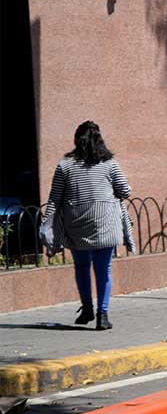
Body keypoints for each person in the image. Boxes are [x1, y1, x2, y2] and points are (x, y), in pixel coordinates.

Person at [42, 121, 134, 331]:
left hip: (77, 226)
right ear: (99, 139)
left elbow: (55, 198)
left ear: (76, 140)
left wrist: (48, 223)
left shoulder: (65, 165)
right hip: (106, 224)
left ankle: (86, 308)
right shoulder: (110, 164)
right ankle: (103, 315)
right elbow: (125, 191)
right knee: (104, 269)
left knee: (82, 267)